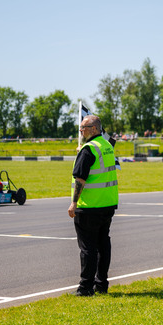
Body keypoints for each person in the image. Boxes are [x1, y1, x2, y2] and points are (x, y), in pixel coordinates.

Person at [68, 115, 118, 296]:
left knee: (87, 248)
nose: (80, 131)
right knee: (103, 245)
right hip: (107, 204)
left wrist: (74, 203)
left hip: (89, 206)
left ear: (94, 129)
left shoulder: (88, 149)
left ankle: (85, 287)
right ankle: (101, 284)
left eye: (84, 128)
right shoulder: (106, 146)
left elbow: (80, 178)